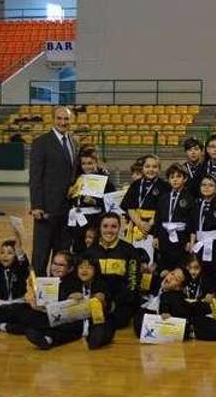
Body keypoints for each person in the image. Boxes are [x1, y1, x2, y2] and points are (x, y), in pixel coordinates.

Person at [25, 255, 115, 351]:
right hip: (75, 323)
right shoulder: (70, 283)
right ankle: (47, 340)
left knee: (100, 333)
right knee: (59, 326)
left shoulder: (101, 284)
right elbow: (58, 306)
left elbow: (110, 307)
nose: (84, 270)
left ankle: (96, 339)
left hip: (96, 321)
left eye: (89, 267)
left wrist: (101, 300)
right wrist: (69, 299)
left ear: (96, 270)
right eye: (81, 267)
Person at [29, 105, 78, 275]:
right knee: (41, 255)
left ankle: (58, 293)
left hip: (67, 211)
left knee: (62, 255)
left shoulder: (73, 142)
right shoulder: (41, 142)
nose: (63, 122)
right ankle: (37, 295)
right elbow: (35, 177)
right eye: (59, 118)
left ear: (71, 121)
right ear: (53, 119)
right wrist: (36, 205)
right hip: (46, 209)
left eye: (66, 119)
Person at [82, 213, 141, 329]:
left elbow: (133, 282)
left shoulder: (129, 250)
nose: (109, 230)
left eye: (113, 226)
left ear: (119, 228)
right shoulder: (89, 252)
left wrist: (115, 303)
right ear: (100, 228)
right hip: (96, 299)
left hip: (121, 302)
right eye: (105, 226)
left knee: (115, 322)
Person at [67, 147, 116, 254]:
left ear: (96, 162)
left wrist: (95, 202)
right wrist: (70, 194)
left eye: (90, 163)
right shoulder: (78, 179)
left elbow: (112, 204)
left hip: (94, 222)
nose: (86, 166)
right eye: (83, 163)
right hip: (77, 222)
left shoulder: (106, 181)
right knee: (77, 252)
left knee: (94, 252)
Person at [153, 163, 195, 272]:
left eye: (178, 177)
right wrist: (155, 236)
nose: (175, 180)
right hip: (164, 236)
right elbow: (158, 218)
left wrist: (190, 240)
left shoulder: (189, 198)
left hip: (182, 237)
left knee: (180, 267)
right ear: (168, 180)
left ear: (185, 179)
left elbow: (191, 220)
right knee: (164, 266)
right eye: (172, 177)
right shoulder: (163, 197)